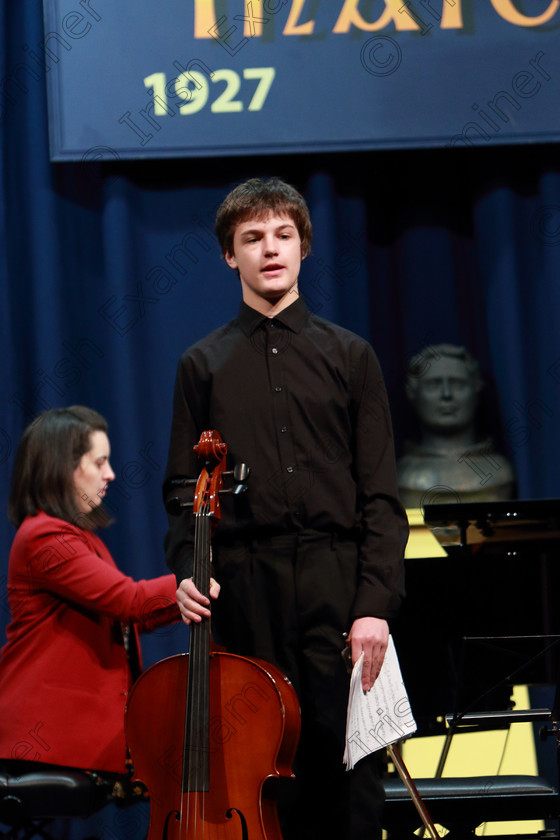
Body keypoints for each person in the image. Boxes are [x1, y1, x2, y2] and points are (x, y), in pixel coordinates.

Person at [163, 177, 408, 840]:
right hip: (247, 589)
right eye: (252, 238)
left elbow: (381, 495)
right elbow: (184, 495)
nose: (270, 249)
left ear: (303, 246)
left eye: (283, 235)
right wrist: (189, 568)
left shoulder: (351, 356)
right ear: (229, 256)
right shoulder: (202, 365)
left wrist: (373, 605)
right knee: (263, 776)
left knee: (353, 780)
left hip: (339, 584)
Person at [0, 406, 180, 785]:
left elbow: (133, 614)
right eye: (99, 462)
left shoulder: (81, 539)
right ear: (64, 467)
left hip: (73, 733)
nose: (111, 474)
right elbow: (130, 601)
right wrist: (194, 583)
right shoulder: (44, 537)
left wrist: (190, 592)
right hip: (44, 733)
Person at [397, 344, 515, 507]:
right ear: (412, 393)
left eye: (458, 384)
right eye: (434, 385)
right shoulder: (400, 475)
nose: (447, 394)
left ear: (476, 391)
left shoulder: (499, 471)